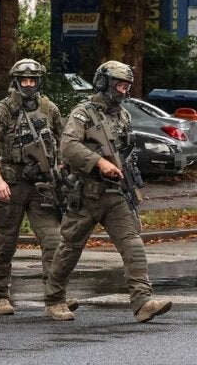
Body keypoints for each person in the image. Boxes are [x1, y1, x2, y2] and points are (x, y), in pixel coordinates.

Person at [44, 60, 172, 322]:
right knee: (69, 248)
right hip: (86, 194)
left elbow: (126, 152)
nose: (124, 90)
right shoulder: (83, 113)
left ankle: (142, 302)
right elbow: (67, 146)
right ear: (103, 83)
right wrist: (98, 162)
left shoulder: (122, 115)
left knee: (133, 244)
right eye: (119, 84)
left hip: (115, 194)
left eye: (127, 86)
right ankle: (55, 299)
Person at [0, 59, 77, 316]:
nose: (29, 84)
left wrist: (60, 166)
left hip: (42, 186)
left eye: (33, 80)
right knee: (6, 242)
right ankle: (0, 295)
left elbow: (65, 140)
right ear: (16, 81)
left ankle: (55, 298)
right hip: (11, 185)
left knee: (54, 240)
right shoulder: (3, 110)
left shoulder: (49, 108)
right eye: (24, 80)